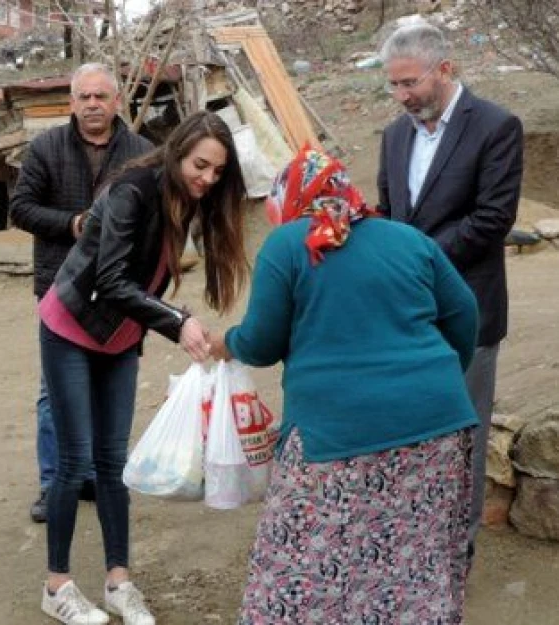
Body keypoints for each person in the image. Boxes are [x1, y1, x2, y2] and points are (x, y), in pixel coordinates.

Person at [214, 147, 479, 623]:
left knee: (303, 567)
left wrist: (228, 342)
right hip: (437, 426)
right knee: (414, 560)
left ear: (291, 197)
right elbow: (464, 314)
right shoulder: (408, 238)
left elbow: (261, 342)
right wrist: (429, 382)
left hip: (334, 440)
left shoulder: (289, 244)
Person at [36, 110, 248, 625]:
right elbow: (109, 279)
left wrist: (177, 319)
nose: (207, 179)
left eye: (217, 172)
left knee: (113, 463)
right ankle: (57, 584)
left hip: (120, 336)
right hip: (71, 326)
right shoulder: (133, 190)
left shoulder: (186, 198)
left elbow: (143, 281)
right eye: (201, 165)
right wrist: (177, 322)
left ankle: (118, 581)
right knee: (74, 461)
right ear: (178, 151)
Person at [376, 22, 523, 552]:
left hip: (469, 310)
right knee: (410, 425)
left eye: (409, 83)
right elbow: (392, 215)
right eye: (392, 86)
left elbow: (490, 221)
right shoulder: (395, 134)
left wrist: (415, 259)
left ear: (445, 68)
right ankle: (414, 536)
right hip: (405, 315)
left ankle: (456, 550)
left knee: (465, 430)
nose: (401, 96)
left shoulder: (496, 126)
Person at [10, 62, 152, 523]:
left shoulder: (142, 152)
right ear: (71, 103)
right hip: (60, 287)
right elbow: (21, 208)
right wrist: (71, 223)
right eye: (84, 97)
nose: (93, 104)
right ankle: (53, 482)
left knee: (107, 380)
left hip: (118, 288)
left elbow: (154, 218)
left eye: (101, 96)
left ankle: (95, 474)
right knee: (55, 388)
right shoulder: (47, 147)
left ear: (117, 102)